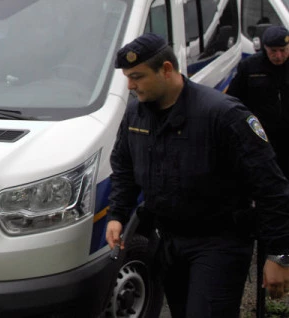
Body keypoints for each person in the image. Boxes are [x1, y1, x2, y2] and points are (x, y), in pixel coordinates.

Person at [106, 33, 289, 317]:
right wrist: (117, 214)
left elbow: (271, 186)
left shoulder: (222, 115)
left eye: (137, 77)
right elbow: (124, 167)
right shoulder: (136, 115)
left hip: (219, 242)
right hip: (168, 240)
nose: (130, 86)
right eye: (128, 78)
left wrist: (279, 254)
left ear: (167, 69)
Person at [227, 25, 289, 177]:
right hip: (262, 135)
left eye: (283, 50)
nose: (279, 56)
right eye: (273, 51)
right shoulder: (250, 67)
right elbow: (233, 100)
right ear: (265, 48)